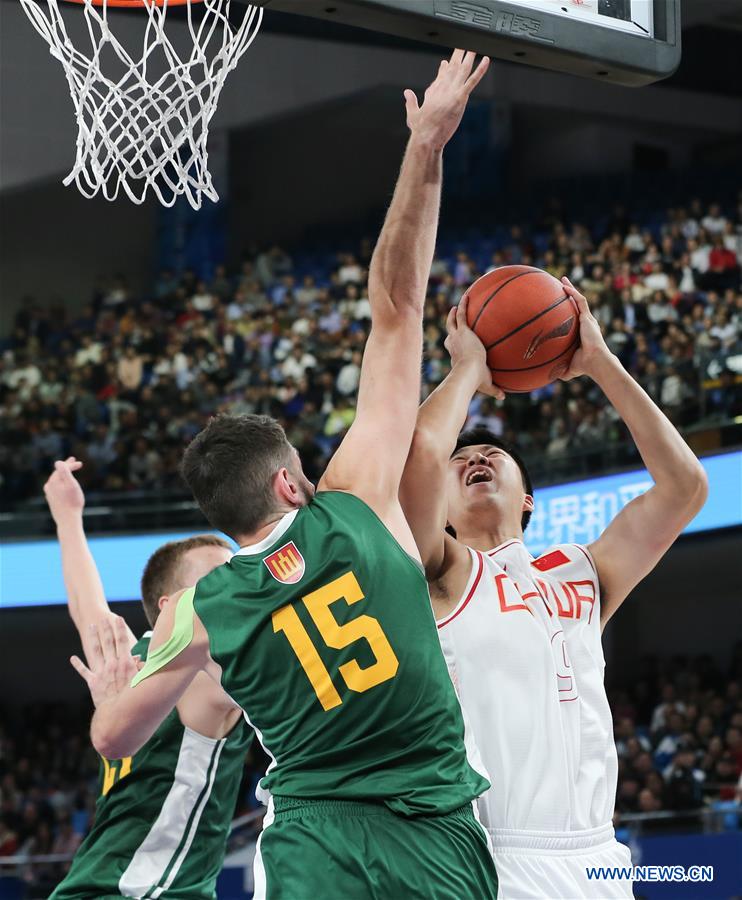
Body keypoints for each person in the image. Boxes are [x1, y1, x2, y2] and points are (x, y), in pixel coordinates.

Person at [71, 52, 499, 900]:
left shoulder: (202, 605)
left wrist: (125, 686)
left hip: (310, 840)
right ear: (290, 485)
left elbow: (117, 739)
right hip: (432, 829)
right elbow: (397, 306)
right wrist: (426, 148)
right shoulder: (357, 501)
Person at [399, 279, 708, 899]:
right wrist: (467, 371)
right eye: (460, 461)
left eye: (491, 453)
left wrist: (599, 363)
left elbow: (684, 488)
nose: (474, 459)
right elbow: (416, 460)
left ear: (530, 498)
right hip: (494, 852)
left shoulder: (582, 573)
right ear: (444, 513)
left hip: (599, 856)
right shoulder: (438, 571)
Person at [43, 458, 251, 899]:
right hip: (151, 892)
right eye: (219, 579)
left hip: (91, 885)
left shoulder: (127, 662)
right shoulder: (208, 666)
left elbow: (87, 604)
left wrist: (67, 516)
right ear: (171, 604)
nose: (238, 588)